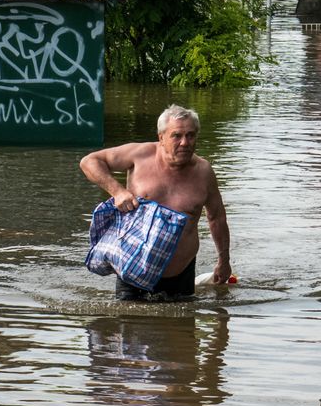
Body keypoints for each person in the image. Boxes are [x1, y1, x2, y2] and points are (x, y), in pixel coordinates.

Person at [80, 104, 231, 300]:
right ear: (161, 137)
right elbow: (89, 162)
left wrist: (224, 260)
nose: (185, 142)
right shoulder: (139, 155)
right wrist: (117, 191)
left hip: (181, 272)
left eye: (191, 135)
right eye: (177, 135)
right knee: (128, 324)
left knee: (182, 328)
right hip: (133, 267)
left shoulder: (204, 172)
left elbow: (216, 217)